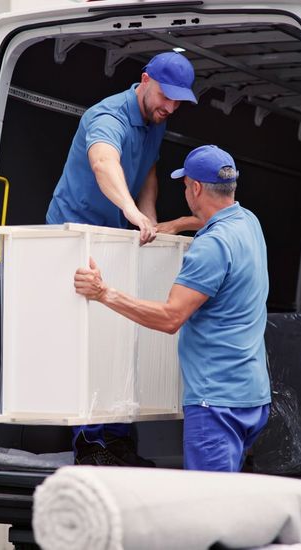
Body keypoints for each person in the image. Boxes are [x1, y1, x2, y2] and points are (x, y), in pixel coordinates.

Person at [74, 145, 271, 472]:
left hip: (216, 404)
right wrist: (178, 224)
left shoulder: (211, 247)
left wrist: (104, 293)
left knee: (210, 513)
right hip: (252, 397)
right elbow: (211, 219)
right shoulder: (248, 223)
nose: (185, 192)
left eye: (185, 185)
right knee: (232, 504)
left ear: (195, 188)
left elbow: (170, 317)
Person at [47, 51, 202, 467]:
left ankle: (118, 440)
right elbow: (103, 162)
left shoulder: (156, 120)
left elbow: (149, 169)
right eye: (165, 97)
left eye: (177, 103)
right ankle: (91, 444)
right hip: (75, 236)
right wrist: (133, 214)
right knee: (90, 342)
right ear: (145, 79)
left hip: (114, 237)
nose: (169, 108)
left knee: (120, 338)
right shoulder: (109, 117)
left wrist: (146, 213)